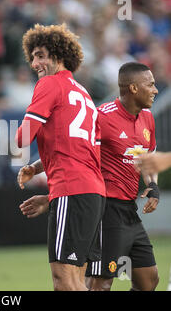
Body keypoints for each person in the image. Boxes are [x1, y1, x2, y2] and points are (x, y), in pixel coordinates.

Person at [19, 62, 160, 291]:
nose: (155, 90)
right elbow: (72, 147)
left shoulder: (147, 119)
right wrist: (36, 169)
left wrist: (152, 185)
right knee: (99, 283)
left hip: (129, 210)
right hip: (105, 210)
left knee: (149, 279)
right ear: (133, 88)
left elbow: (147, 158)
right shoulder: (102, 117)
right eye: (151, 84)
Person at [15, 23, 106, 291]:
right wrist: (37, 168)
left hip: (72, 189)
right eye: (32, 56)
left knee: (64, 280)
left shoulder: (49, 84)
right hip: (92, 193)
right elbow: (81, 147)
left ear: (59, 55)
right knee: (77, 281)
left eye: (41, 55)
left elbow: (22, 138)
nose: (35, 62)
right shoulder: (85, 94)